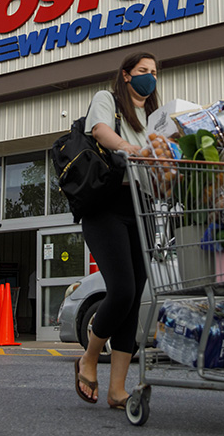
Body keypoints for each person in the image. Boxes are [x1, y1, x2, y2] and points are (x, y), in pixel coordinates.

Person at [75, 52, 159, 410]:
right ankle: (90, 357)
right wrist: (127, 146)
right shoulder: (107, 100)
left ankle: (117, 389)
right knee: (121, 290)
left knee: (134, 298)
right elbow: (100, 131)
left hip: (143, 209)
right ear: (126, 75)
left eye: (154, 72)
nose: (149, 78)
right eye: (143, 71)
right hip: (107, 205)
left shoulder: (155, 117)